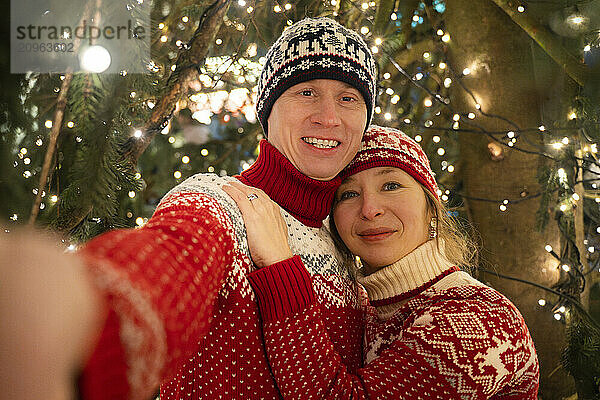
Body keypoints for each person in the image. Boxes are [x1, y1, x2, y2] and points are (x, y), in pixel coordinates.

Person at [0, 17, 377, 400]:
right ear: (268, 111)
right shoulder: (220, 202)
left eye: (348, 98)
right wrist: (69, 321)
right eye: (307, 92)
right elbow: (168, 266)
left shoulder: (350, 239)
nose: (329, 117)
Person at [224, 125, 540, 399]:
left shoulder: (479, 318)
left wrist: (279, 266)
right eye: (347, 195)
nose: (370, 209)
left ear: (432, 208)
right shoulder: (362, 303)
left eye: (391, 185)